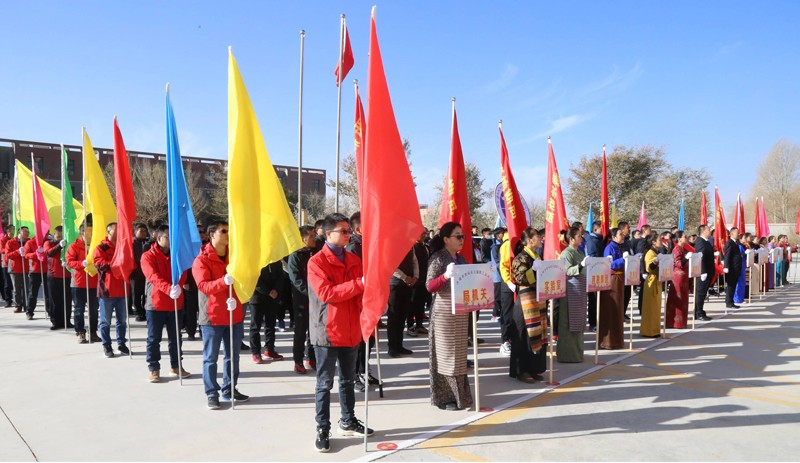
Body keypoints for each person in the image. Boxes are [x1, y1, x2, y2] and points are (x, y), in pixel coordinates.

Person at [307, 213, 372, 452]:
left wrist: (373, 304)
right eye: (343, 231)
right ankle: (322, 428)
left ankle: (348, 420)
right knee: (324, 384)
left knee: (347, 380)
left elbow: (361, 292)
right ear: (328, 233)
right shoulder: (316, 262)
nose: (348, 234)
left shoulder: (354, 259)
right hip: (327, 330)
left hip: (351, 328)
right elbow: (327, 293)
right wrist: (359, 284)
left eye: (348, 231)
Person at [192, 220, 249, 410]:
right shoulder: (202, 259)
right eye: (223, 231)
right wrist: (223, 282)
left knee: (233, 357)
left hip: (234, 314)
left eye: (229, 231)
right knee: (211, 358)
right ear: (212, 235)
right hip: (212, 316)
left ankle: (229, 388)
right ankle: (211, 393)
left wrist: (239, 295)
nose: (228, 234)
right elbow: (203, 286)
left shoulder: (235, 256)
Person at [425, 222, 473, 411]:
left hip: (460, 312)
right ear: (446, 239)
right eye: (457, 236)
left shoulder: (461, 259)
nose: (461, 240)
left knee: (459, 356)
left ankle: (461, 396)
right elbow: (430, 286)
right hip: (444, 313)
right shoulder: (438, 258)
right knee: (446, 355)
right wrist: (445, 276)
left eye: (463, 236)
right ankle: (445, 398)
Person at [140, 225, 190, 383]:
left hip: (175, 303)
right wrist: (169, 288)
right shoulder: (148, 256)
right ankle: (154, 368)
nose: (170, 240)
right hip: (156, 303)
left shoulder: (177, 255)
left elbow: (183, 271)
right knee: (154, 338)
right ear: (158, 238)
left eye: (172, 237)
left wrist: (178, 285)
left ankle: (176, 366)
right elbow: (152, 276)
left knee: (176, 338)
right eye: (167, 237)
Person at [508, 227, 547, 382]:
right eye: (538, 236)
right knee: (524, 335)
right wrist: (533, 270)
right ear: (530, 240)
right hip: (526, 300)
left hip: (537, 298)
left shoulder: (537, 255)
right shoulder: (521, 257)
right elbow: (519, 278)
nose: (541, 238)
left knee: (537, 332)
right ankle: (522, 370)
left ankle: (533, 368)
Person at [93, 222, 129, 358]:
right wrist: (115, 264)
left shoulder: (123, 246)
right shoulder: (101, 247)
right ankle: (107, 345)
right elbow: (99, 263)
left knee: (122, 321)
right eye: (116, 229)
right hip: (107, 291)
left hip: (122, 289)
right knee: (105, 321)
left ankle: (122, 344)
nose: (119, 231)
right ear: (108, 232)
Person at [288, 225, 317, 374]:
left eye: (314, 235)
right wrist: (311, 293)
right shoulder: (295, 256)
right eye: (311, 236)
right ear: (302, 238)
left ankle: (311, 358)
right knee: (300, 332)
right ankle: (298, 361)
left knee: (314, 332)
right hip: (302, 301)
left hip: (316, 301)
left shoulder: (316, 253)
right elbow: (296, 280)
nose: (314, 238)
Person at [556, 226, 586, 363]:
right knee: (568, 323)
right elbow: (567, 270)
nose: (581, 238)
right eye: (579, 236)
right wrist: (581, 266)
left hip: (579, 291)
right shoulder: (566, 253)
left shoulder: (579, 252)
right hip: (570, 291)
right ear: (571, 239)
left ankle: (577, 353)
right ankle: (567, 355)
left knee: (578, 322)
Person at [67, 224, 100, 343]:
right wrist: (81, 263)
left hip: (93, 282)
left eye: (92, 231)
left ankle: (93, 332)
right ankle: (80, 332)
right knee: (79, 309)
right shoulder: (74, 246)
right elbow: (69, 262)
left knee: (94, 310)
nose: (90, 234)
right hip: (78, 283)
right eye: (88, 231)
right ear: (82, 233)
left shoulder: (96, 245)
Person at [248, 261, 287, 363]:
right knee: (255, 326)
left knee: (271, 324)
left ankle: (269, 349)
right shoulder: (255, 259)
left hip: (272, 297)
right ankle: (256, 352)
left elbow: (280, 276)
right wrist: (267, 291)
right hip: (257, 297)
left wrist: (276, 290)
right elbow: (253, 278)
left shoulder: (275, 258)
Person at [387, 247, 417, 357]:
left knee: (402, 316)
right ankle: (392, 347)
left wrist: (416, 276)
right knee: (393, 316)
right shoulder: (392, 244)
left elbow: (414, 261)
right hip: (395, 284)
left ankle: (399, 345)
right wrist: (404, 277)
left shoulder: (410, 244)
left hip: (408, 284)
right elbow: (389, 264)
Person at [600, 227, 626, 349]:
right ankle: (608, 342)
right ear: (614, 237)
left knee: (618, 310)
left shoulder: (619, 247)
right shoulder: (609, 248)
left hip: (619, 279)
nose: (623, 236)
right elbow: (609, 265)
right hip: (612, 280)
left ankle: (617, 340)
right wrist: (623, 260)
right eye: (620, 234)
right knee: (612, 310)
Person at [44, 226, 72, 330]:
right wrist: (59, 246)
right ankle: (55, 321)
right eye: (58, 236)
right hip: (53, 276)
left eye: (62, 236)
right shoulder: (48, 243)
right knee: (54, 300)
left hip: (66, 275)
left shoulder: (68, 243)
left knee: (67, 300)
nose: (60, 238)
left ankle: (67, 320)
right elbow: (48, 253)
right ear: (54, 235)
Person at [407, 230, 430, 337]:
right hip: (414, 281)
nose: (423, 235)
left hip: (424, 280)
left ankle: (419, 325)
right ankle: (410, 326)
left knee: (421, 305)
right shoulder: (411, 246)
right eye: (421, 233)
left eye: (425, 233)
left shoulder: (425, 247)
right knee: (411, 305)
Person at [666, 231, 690, 329]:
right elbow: (678, 263)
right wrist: (686, 258)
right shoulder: (677, 249)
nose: (686, 238)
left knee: (683, 299)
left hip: (684, 277)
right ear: (679, 239)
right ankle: (675, 323)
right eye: (684, 236)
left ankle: (681, 323)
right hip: (678, 277)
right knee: (677, 300)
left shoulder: (683, 249)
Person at [24, 232, 49, 319]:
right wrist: (37, 253)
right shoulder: (30, 242)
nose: (46, 235)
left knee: (48, 293)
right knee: (32, 293)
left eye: (47, 233)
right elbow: (26, 255)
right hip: (35, 271)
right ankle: (29, 312)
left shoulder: (48, 242)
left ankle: (49, 311)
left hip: (47, 270)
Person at [640, 234, 662, 337]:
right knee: (650, 308)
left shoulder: (656, 252)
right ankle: (648, 331)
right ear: (653, 242)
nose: (661, 241)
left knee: (656, 308)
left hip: (657, 281)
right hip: (651, 281)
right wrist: (656, 260)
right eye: (659, 240)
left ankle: (655, 330)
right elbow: (649, 268)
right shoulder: (650, 253)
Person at [584, 221, 604, 330]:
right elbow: (592, 257)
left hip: (600, 272)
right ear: (595, 229)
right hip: (593, 273)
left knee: (598, 300)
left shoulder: (599, 239)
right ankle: (592, 323)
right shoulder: (592, 240)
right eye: (601, 228)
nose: (603, 230)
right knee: (593, 300)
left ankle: (598, 321)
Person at [5, 226, 30, 315]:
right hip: (14, 268)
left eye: (28, 232)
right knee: (16, 289)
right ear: (19, 232)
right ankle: (18, 305)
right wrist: (18, 252)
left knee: (26, 288)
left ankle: (27, 305)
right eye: (25, 231)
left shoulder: (28, 242)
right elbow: (7, 255)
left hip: (26, 268)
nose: (27, 233)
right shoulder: (10, 242)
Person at [497, 233, 514, 356]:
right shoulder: (507, 243)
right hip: (508, 284)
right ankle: (505, 341)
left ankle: (514, 339)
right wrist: (509, 281)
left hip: (520, 283)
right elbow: (503, 266)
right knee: (507, 314)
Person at [693, 225, 714, 321]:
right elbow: (700, 257)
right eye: (708, 230)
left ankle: (700, 311)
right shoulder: (700, 242)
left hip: (708, 272)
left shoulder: (706, 242)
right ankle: (699, 313)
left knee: (703, 293)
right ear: (703, 231)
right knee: (700, 293)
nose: (710, 231)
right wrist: (703, 271)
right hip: (703, 273)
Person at [130, 223, 150, 322]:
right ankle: (138, 312)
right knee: (136, 295)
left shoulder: (148, 244)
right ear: (135, 232)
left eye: (144, 231)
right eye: (140, 231)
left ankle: (145, 312)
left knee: (146, 294)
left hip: (147, 274)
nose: (143, 233)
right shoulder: (131, 244)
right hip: (135, 273)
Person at [723, 227, 742, 309]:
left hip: (736, 268)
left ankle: (731, 301)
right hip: (731, 268)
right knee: (730, 286)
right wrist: (726, 266)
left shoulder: (735, 243)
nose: (738, 234)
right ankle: (729, 302)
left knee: (733, 286)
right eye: (737, 233)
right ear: (732, 233)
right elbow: (727, 256)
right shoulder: (729, 243)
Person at [0, 225, 14, 307]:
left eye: (13, 229)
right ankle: (8, 300)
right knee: (7, 282)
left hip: (14, 262)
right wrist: (9, 249)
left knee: (15, 282)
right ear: (8, 231)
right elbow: (1, 250)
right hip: (5, 263)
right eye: (11, 230)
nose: (13, 231)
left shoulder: (15, 239)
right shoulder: (3, 240)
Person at [734, 233, 749, 305]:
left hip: (743, 265)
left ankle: (741, 298)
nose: (745, 239)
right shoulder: (739, 246)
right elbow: (739, 256)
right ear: (740, 239)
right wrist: (745, 253)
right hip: (740, 266)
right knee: (739, 282)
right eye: (744, 238)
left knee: (742, 282)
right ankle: (737, 299)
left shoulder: (743, 246)